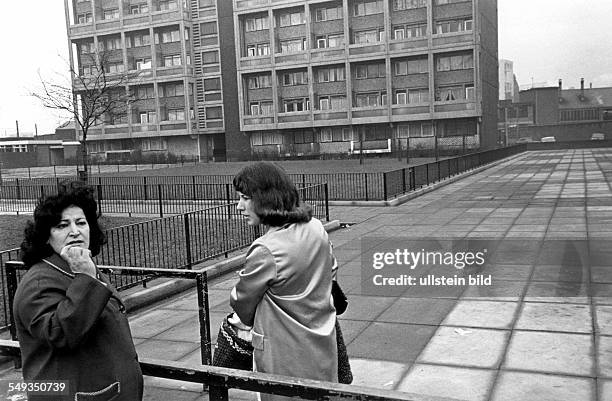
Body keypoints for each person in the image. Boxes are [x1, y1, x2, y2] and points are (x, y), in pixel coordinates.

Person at [13, 182, 143, 401]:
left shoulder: (78, 266)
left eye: (81, 222)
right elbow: (60, 334)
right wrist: (85, 277)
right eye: (63, 225)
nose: (75, 231)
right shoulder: (39, 282)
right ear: (47, 235)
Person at [229, 162, 338, 400]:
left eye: (245, 198)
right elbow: (331, 271)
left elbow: (241, 301)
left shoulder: (266, 249)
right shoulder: (316, 227)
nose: (239, 206)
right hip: (321, 345)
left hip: (282, 355)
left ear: (266, 198)